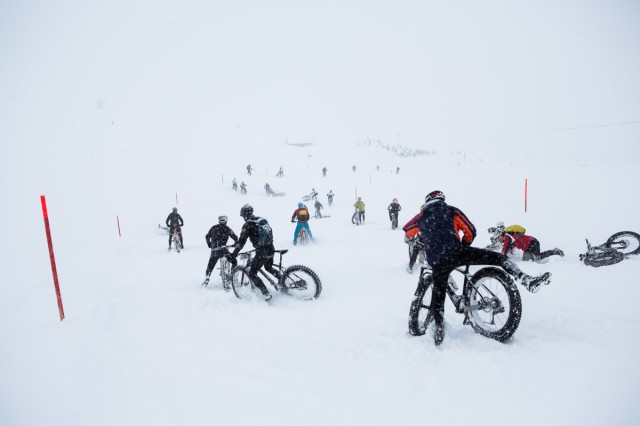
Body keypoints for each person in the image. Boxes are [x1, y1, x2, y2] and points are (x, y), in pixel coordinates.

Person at [416, 190, 552, 346]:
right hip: (459, 252)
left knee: (439, 292)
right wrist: (464, 246)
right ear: (441, 200)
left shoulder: (421, 216)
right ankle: (526, 279)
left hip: (438, 261)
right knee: (498, 258)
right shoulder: (452, 210)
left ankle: (439, 328)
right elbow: (470, 231)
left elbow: (408, 231)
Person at [230, 205, 279, 301]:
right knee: (268, 267)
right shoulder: (261, 220)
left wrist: (234, 254)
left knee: (252, 273)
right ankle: (282, 281)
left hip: (262, 252)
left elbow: (241, 242)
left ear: (244, 215)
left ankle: (266, 293)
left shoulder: (248, 225)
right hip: (271, 248)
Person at [202, 215, 239, 287]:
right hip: (223, 250)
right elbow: (235, 237)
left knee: (210, 265)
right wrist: (235, 244)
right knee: (234, 261)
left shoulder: (213, 227)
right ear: (226, 221)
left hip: (214, 250)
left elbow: (207, 236)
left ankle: (207, 278)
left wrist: (209, 244)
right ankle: (233, 277)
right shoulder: (227, 229)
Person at [498, 226, 564, 261]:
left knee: (537, 257)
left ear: (501, 234)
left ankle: (554, 251)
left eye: (498, 237)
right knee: (527, 260)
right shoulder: (509, 239)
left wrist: (499, 257)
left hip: (532, 242)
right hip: (528, 245)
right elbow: (507, 251)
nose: (498, 239)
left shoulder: (507, 237)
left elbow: (504, 251)